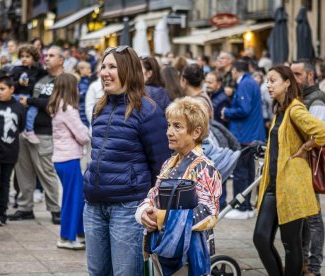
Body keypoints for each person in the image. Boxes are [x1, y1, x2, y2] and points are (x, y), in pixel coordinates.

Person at [83, 46, 170, 276]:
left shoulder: (148, 110)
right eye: (103, 66)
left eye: (112, 67)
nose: (104, 72)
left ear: (128, 71)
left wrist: (153, 206)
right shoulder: (98, 108)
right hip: (94, 205)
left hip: (127, 207)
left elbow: (162, 165)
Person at [253, 65, 325, 276]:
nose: (268, 85)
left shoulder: (295, 109)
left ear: (287, 82)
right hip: (272, 185)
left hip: (291, 185)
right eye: (267, 81)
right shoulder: (280, 109)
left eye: (273, 81)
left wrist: (306, 147)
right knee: (260, 239)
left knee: (291, 243)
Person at [136, 96, 222, 275]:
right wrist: (144, 212)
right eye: (169, 125)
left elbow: (209, 212)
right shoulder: (169, 163)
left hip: (190, 255)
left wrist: (161, 217)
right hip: (164, 249)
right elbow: (153, 195)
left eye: (177, 126)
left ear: (196, 133)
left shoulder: (204, 167)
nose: (168, 132)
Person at [8, 46, 63, 224]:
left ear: (61, 60)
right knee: (23, 172)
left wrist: (30, 101)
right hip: (23, 129)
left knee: (46, 172)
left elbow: (53, 104)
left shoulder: (64, 80)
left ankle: (55, 209)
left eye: (51, 56)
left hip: (44, 132)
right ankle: (25, 207)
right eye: (45, 55)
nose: (46, 58)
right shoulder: (41, 76)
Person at [291, 60, 325, 276]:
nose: (294, 79)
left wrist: (304, 146)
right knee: (305, 218)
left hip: (311, 166)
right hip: (301, 165)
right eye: (292, 74)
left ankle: (313, 268)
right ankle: (304, 263)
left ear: (310, 76)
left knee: (313, 219)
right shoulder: (300, 98)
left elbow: (318, 135)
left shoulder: (316, 100)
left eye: (298, 74)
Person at [47, 73, 90, 250]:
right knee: (73, 199)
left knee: (74, 197)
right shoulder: (68, 109)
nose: (79, 90)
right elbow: (82, 135)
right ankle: (66, 238)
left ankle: (80, 234)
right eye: (76, 86)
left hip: (61, 158)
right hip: (69, 158)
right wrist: (88, 131)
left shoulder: (56, 106)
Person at [221, 61, 265, 220]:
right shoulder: (250, 82)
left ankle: (241, 207)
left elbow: (244, 109)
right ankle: (246, 207)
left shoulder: (245, 83)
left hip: (244, 135)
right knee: (248, 173)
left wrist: (227, 111)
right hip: (251, 134)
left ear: (234, 70)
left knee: (241, 173)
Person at [0, 75, 25, 227]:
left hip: (10, 150)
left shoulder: (19, 107)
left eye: (2, 89)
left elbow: (20, 127)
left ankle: (2, 214)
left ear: (12, 89)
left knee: (4, 183)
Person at [10, 44, 47, 144]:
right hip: (17, 96)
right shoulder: (16, 69)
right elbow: (9, 85)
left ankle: (28, 130)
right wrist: (19, 83)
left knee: (33, 110)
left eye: (27, 56)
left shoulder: (37, 70)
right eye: (22, 56)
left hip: (30, 98)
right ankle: (27, 130)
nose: (24, 59)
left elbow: (47, 74)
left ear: (34, 58)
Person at [253, 70, 273, 137]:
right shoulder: (264, 90)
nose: (257, 79)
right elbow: (264, 105)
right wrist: (266, 119)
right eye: (255, 77)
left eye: (259, 78)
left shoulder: (264, 90)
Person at [75, 61, 91, 127]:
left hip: (86, 109)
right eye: (88, 68)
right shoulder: (78, 81)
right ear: (81, 69)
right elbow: (81, 96)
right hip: (81, 110)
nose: (90, 70)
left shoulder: (88, 80)